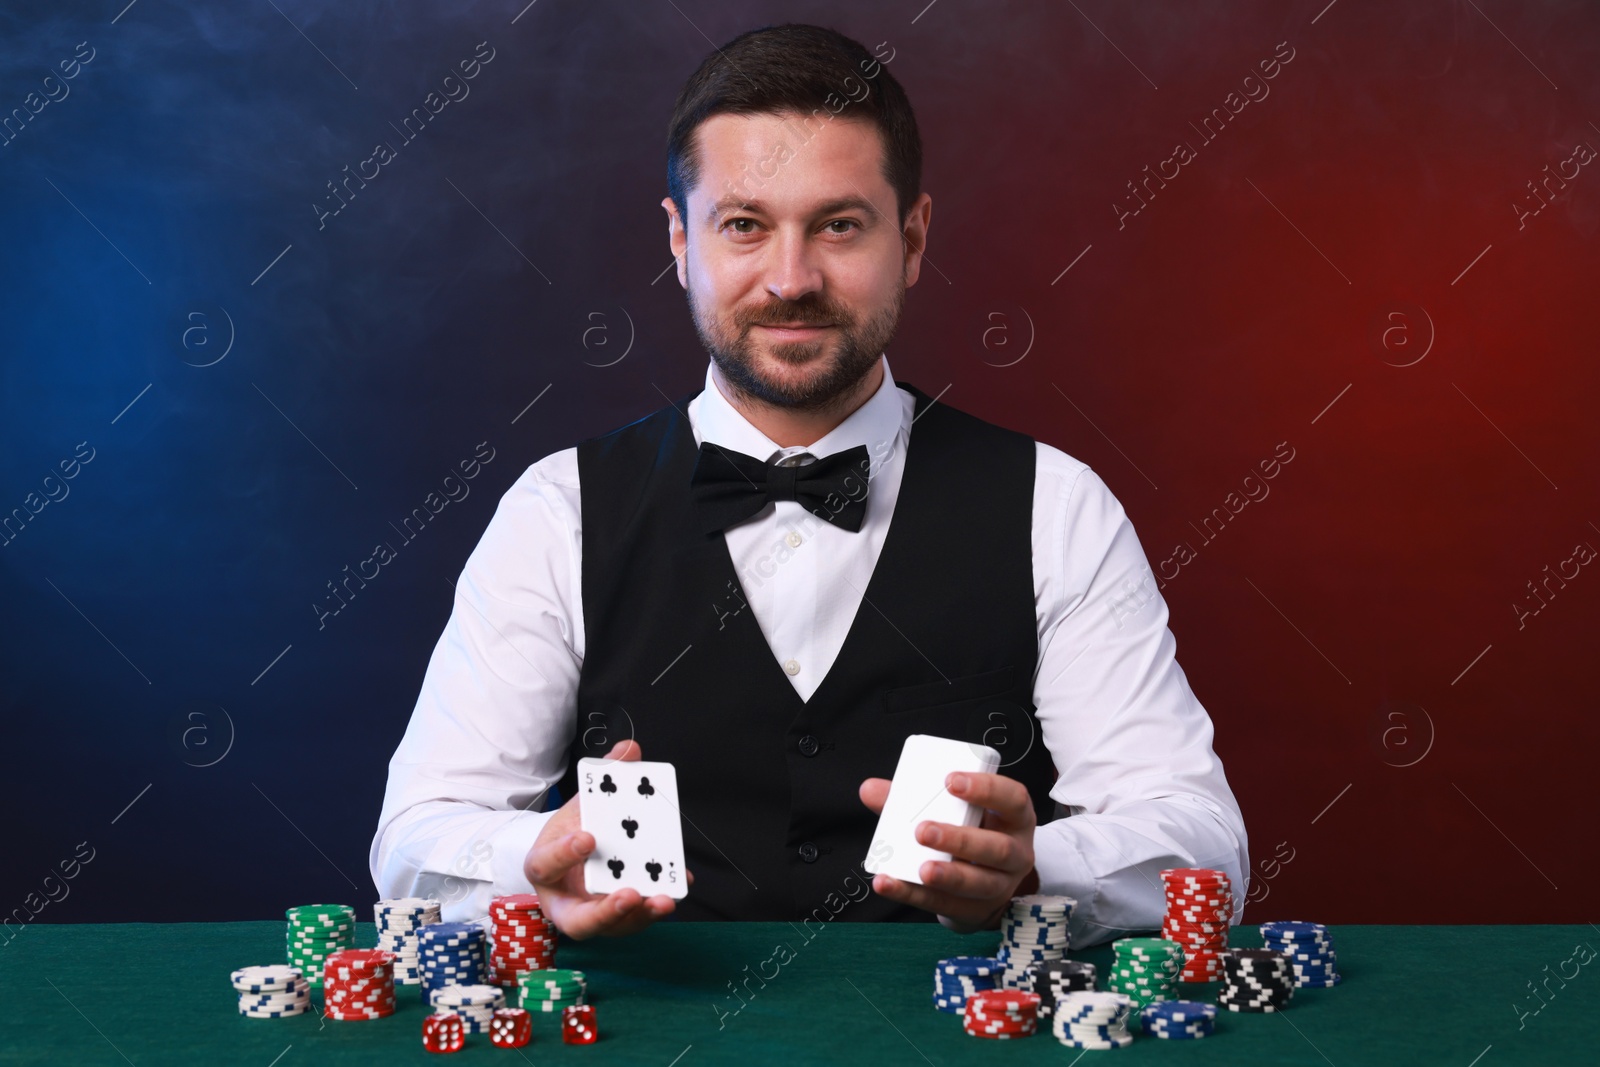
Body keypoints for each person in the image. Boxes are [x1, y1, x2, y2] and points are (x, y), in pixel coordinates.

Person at [372, 23, 1247, 948]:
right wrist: (536, 859)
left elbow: (1201, 844)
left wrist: (1040, 866)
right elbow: (418, 840)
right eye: (744, 225)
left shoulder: (1056, 505)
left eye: (839, 225)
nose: (791, 280)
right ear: (680, 241)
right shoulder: (559, 513)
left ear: (911, 239)